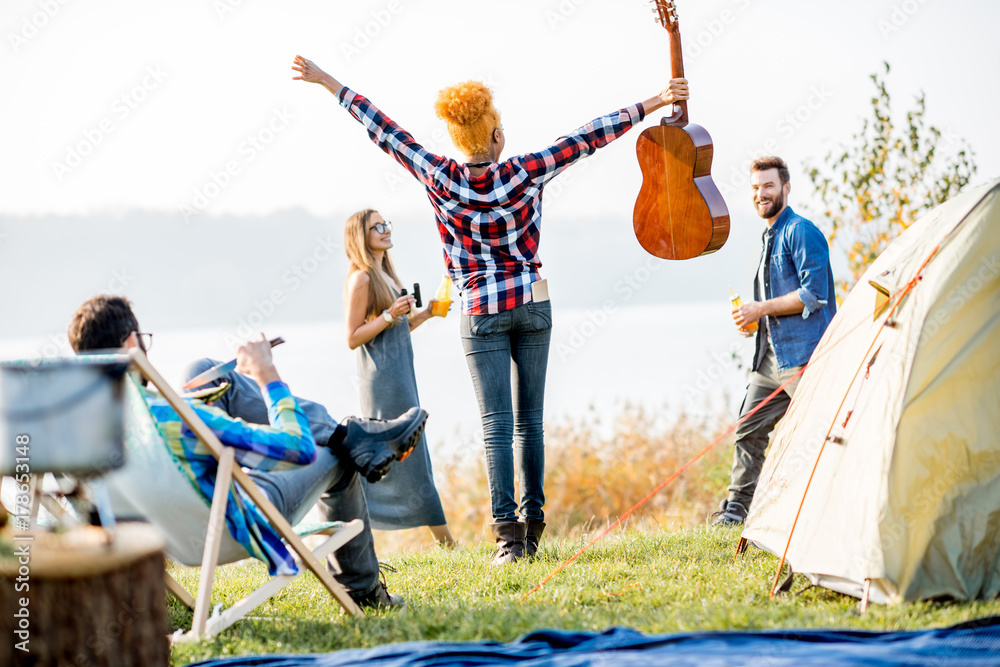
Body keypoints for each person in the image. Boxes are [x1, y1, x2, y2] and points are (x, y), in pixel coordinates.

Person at [292, 55, 688, 565]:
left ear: (460, 139)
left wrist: (328, 82)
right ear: (496, 135)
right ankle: (535, 525)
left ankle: (508, 541)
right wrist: (657, 101)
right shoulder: (526, 170)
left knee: (496, 425)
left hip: (480, 308)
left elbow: (382, 129)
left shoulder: (438, 174)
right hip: (532, 301)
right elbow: (591, 136)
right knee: (531, 423)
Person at [67, 294, 427, 608]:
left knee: (204, 370)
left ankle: (351, 435)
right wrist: (268, 376)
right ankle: (361, 588)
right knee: (338, 451)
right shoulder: (175, 417)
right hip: (235, 524)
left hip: (174, 534)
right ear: (132, 343)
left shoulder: (77, 437)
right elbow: (298, 450)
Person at [712, 156, 836, 526]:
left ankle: (831, 508)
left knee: (823, 435)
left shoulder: (801, 231)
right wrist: (753, 320)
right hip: (769, 359)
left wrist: (760, 309)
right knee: (748, 431)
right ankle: (735, 514)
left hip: (804, 357)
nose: (760, 194)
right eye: (754, 188)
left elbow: (814, 294)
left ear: (785, 187)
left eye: (767, 185)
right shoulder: (769, 236)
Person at [343, 208, 455, 547]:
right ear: (361, 237)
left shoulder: (386, 274)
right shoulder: (361, 277)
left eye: (385, 224)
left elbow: (396, 330)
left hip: (401, 374)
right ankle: (446, 541)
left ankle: (360, 532)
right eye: (377, 227)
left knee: (408, 451)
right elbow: (352, 337)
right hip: (383, 382)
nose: (385, 230)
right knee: (400, 451)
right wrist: (391, 314)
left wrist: (426, 314)